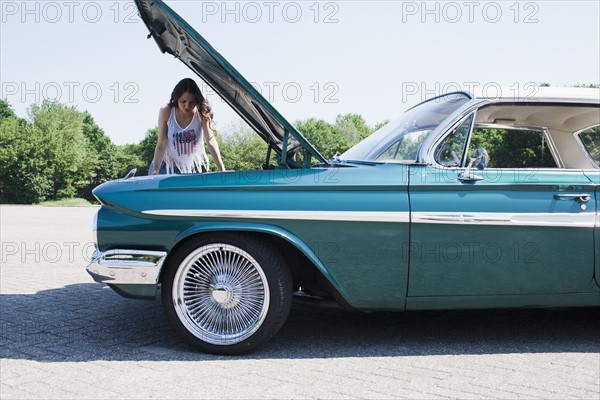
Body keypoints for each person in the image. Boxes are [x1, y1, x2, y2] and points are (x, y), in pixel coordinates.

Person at [149, 78, 225, 175]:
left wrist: (222, 169)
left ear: (197, 101)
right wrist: (155, 170)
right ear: (177, 99)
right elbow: (161, 144)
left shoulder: (202, 113)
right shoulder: (167, 111)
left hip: (189, 168)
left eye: (191, 102)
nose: (187, 106)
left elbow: (210, 141)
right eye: (183, 101)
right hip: (164, 167)